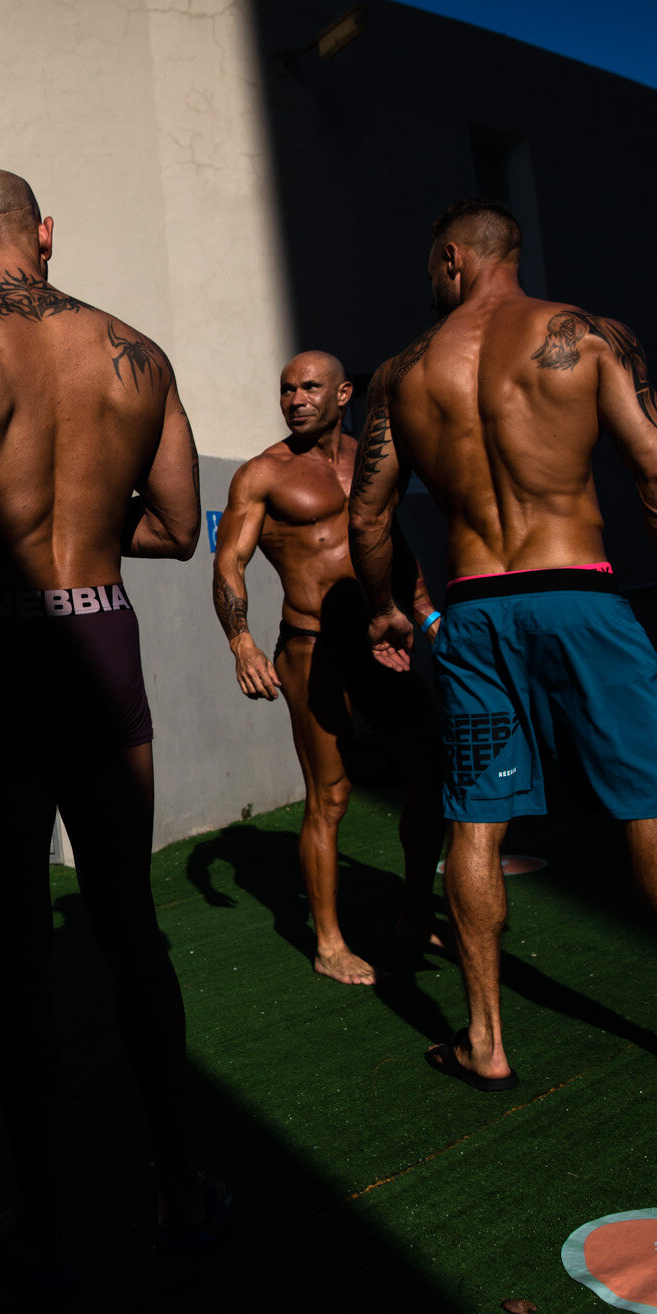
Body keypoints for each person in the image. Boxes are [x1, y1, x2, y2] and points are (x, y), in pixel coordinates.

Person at [345, 199, 657, 1090]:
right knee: (652, 805)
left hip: (473, 614)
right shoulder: (586, 336)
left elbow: (371, 514)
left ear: (455, 259)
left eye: (433, 265)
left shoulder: (399, 373)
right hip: (577, 595)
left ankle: (486, 1039)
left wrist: (388, 607)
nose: (430, 279)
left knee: (475, 820)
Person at [0, 169, 226, 1286]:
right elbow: (176, 524)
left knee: (15, 953)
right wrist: (88, 521)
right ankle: (174, 1185)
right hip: (98, 639)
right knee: (131, 928)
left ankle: (40, 1219)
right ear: (46, 234)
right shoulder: (138, 352)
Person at [211, 350, 446, 985]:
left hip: (378, 640)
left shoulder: (374, 462)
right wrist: (243, 644)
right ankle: (330, 943)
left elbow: (395, 543)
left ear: (344, 394)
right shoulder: (264, 474)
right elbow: (228, 561)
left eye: (309, 387)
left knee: (431, 770)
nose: (295, 399)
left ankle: (413, 912)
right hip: (312, 648)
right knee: (331, 795)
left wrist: (426, 614)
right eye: (286, 389)